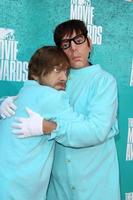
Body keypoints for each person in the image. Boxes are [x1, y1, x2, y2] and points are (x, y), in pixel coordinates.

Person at [0, 20, 120, 200]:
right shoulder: (53, 79)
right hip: (57, 187)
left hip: (94, 184)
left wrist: (47, 127)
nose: (73, 48)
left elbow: (97, 131)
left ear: (89, 43)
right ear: (60, 52)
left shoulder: (104, 81)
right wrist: (2, 103)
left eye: (78, 40)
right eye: (66, 44)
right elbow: (26, 99)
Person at [0, 45, 86, 200]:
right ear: (35, 74)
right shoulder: (52, 97)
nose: (64, 77)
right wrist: (109, 126)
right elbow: (83, 130)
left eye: (66, 71)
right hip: (21, 189)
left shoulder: (21, 95)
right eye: (56, 70)